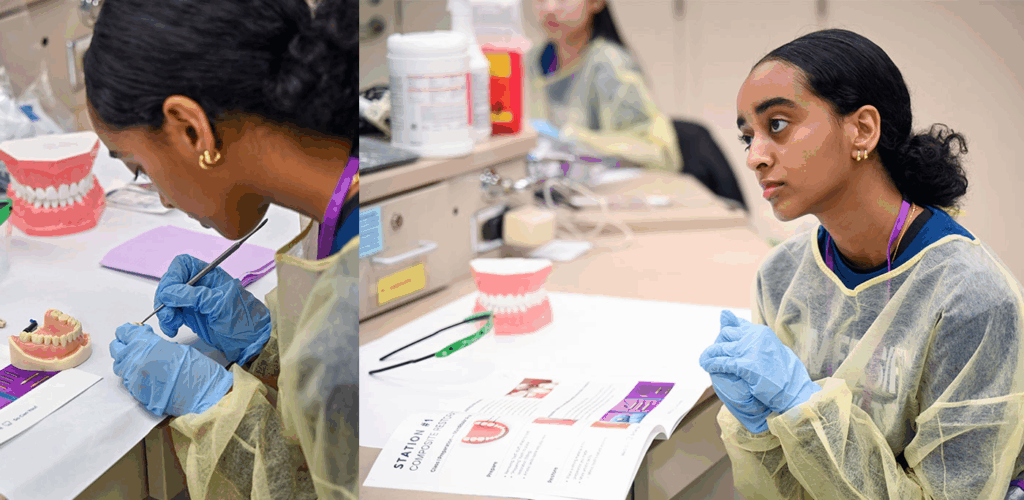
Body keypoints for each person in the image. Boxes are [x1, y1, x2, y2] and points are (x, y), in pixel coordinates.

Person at [698, 29, 1024, 499]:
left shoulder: (970, 297)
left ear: (863, 130)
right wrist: (760, 431)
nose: (754, 157)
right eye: (747, 136)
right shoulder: (782, 275)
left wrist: (800, 407)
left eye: (777, 125)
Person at [82, 0, 357, 499]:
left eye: (140, 168)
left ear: (191, 128)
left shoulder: (358, 263)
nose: (162, 198)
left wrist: (220, 410)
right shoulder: (349, 186)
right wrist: (269, 347)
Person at [528, 0, 680, 172]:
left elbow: (655, 152)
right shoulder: (535, 59)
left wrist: (571, 138)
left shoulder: (610, 63)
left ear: (596, 2)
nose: (550, 8)